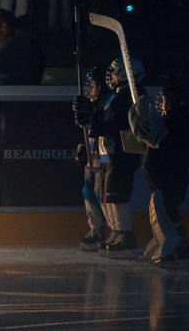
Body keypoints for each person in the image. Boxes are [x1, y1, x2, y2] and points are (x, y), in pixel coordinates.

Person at [74, 57, 144, 259]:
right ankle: (116, 232)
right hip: (110, 156)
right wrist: (90, 120)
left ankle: (125, 235)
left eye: (114, 72)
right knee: (108, 195)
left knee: (116, 195)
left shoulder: (127, 97)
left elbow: (114, 124)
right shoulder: (115, 97)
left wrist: (92, 120)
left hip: (120, 156)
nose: (110, 76)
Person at [129, 78, 189, 267]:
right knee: (161, 208)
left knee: (164, 208)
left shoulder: (179, 122)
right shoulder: (173, 121)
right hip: (163, 179)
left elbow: (167, 147)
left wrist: (150, 135)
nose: (162, 103)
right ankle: (167, 241)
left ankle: (174, 247)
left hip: (170, 178)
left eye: (166, 99)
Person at [73, 66, 110, 251]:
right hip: (93, 157)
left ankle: (115, 230)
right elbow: (88, 129)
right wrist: (83, 146)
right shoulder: (92, 105)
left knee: (103, 194)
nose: (89, 90)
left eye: (92, 86)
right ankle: (96, 229)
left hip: (105, 158)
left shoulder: (109, 104)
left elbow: (105, 127)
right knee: (89, 192)